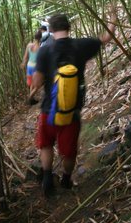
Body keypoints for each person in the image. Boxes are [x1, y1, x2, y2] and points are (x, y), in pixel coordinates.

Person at [31, 12, 116, 197]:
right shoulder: (81, 45)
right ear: (69, 28)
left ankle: (47, 177)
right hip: (71, 111)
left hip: (48, 109)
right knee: (68, 152)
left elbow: (36, 82)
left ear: (51, 30)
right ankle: (66, 178)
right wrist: (113, 20)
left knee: (46, 144)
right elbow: (106, 38)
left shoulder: (45, 50)